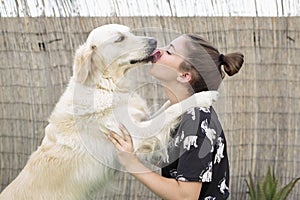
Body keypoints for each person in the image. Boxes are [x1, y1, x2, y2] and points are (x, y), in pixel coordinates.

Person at [108, 33, 244, 200]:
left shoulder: (198, 119)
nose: (159, 50)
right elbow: (156, 152)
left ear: (185, 75)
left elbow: (186, 196)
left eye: (170, 52)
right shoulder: (179, 113)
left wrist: (131, 163)